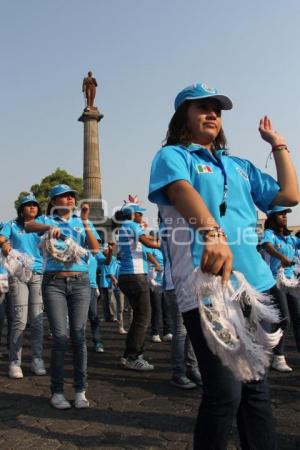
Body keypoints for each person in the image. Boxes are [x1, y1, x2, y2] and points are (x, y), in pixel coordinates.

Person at [148, 83, 299, 449]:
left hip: (256, 287)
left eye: (216, 108)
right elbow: (182, 190)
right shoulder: (173, 155)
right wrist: (212, 232)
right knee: (225, 394)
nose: (212, 113)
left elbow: (289, 195)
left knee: (257, 392)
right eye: (201, 107)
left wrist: (278, 145)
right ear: (182, 115)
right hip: (208, 286)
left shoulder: (239, 165)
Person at [25, 184, 101, 410]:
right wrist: (49, 227)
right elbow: (28, 225)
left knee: (78, 336)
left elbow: (96, 249)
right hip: (54, 282)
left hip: (80, 283)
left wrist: (86, 221)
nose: (69, 199)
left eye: (71, 196)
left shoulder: (80, 221)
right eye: (63, 196)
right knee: (60, 337)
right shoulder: (48, 221)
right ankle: (57, 391)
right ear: (53, 201)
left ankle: (80, 390)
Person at [0, 194, 46, 379]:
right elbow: (2, 238)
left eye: (35, 205)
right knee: (20, 319)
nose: (32, 208)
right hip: (18, 274)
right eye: (28, 205)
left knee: (37, 320)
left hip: (37, 273)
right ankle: (15, 362)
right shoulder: (11, 225)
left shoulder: (41, 225)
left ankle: (37, 359)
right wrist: (5, 244)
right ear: (21, 209)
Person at [116, 202, 161, 371]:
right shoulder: (132, 225)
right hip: (135, 276)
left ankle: (130, 354)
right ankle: (132, 357)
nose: (141, 216)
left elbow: (132, 252)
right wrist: (165, 243)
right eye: (140, 213)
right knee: (143, 316)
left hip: (128, 275)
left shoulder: (123, 228)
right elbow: (149, 244)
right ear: (134, 214)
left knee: (139, 317)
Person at [261, 205, 300, 372]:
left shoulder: (290, 239)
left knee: (298, 319)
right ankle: (278, 357)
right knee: (285, 319)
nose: (285, 216)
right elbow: (266, 245)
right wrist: (282, 257)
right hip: (276, 281)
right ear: (272, 217)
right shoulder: (270, 234)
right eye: (281, 214)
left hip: (292, 281)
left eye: (286, 214)